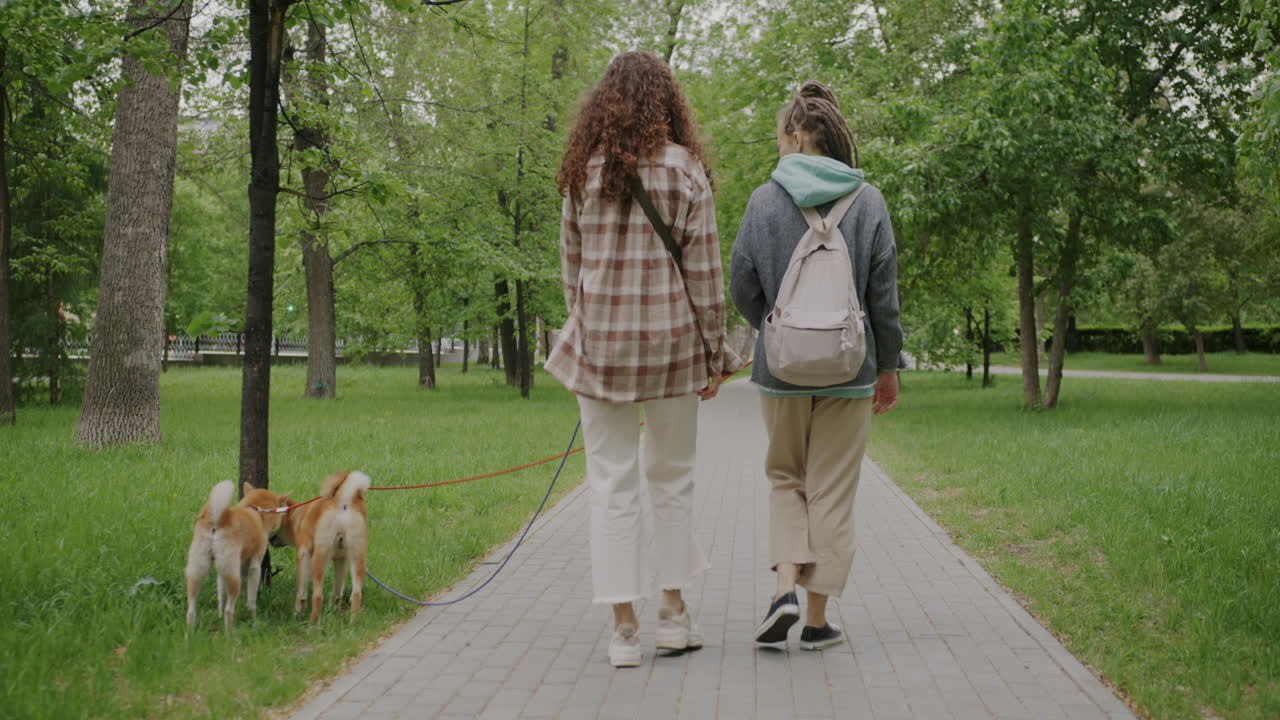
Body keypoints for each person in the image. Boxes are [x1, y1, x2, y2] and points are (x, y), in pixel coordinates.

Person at [546, 51, 740, 668]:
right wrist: (718, 354)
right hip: (672, 349)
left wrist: (590, 320)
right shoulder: (686, 171)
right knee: (673, 479)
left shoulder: (583, 171)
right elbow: (706, 276)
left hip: (602, 348)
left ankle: (623, 630)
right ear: (667, 103)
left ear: (604, 103)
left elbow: (570, 272)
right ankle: (674, 616)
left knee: (610, 484)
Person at [729, 81, 902, 650]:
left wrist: (773, 331)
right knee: (830, 489)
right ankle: (818, 620)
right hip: (851, 372)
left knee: (785, 478)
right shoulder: (869, 201)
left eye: (780, 135)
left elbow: (742, 287)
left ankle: (783, 588)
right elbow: (883, 298)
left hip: (781, 373)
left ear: (797, 136)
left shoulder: (763, 201)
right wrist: (888, 365)